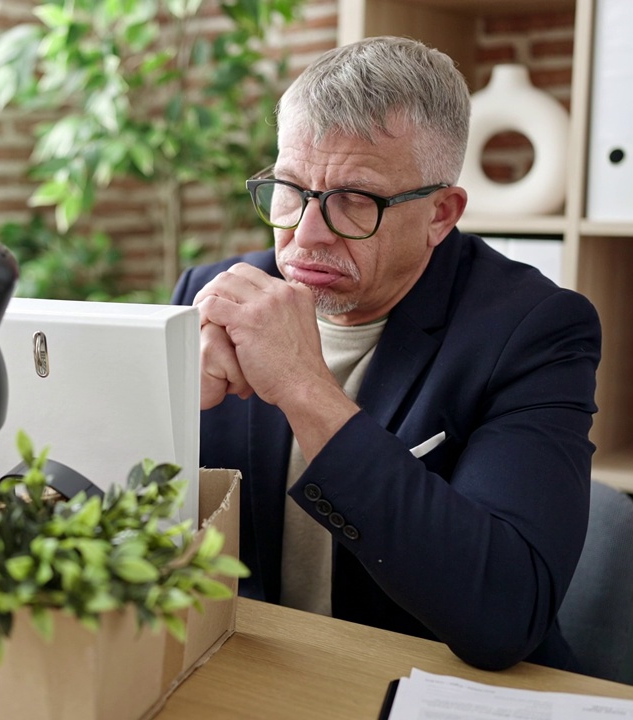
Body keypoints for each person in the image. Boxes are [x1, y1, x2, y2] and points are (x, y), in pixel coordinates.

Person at [171, 36, 601, 672]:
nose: (305, 235)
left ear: (440, 213)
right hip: (256, 668)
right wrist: (161, 416)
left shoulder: (534, 330)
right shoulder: (212, 295)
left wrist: (304, 387)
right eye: (289, 190)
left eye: (355, 199)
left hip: (424, 683)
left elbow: (505, 612)